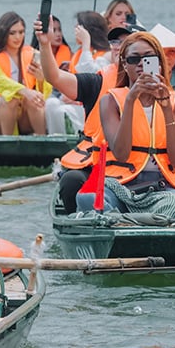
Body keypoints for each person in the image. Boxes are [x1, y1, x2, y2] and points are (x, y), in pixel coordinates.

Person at [76, 32, 175, 220]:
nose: (140, 63)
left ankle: (120, 221)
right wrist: (130, 100)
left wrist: (165, 108)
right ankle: (142, 221)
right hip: (120, 184)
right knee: (87, 198)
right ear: (124, 64)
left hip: (161, 187)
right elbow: (121, 153)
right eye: (134, 59)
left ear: (159, 63)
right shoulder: (110, 101)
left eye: (148, 58)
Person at [38, 21, 139, 212]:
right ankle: (80, 228)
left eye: (127, 43)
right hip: (99, 163)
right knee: (71, 181)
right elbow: (55, 77)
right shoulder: (97, 81)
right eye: (116, 42)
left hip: (140, 166)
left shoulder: (157, 86)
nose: (119, 48)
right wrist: (44, 44)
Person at [0, 12, 47, 136]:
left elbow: (46, 92)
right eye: (12, 33)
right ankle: (8, 142)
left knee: (34, 99)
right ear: (3, 33)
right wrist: (25, 91)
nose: (18, 37)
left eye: (21, 32)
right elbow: (1, 81)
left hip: (25, 114)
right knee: (10, 98)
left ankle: (43, 139)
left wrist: (40, 79)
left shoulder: (33, 54)